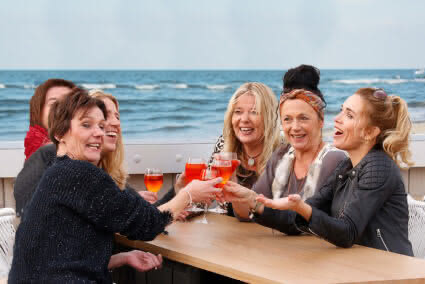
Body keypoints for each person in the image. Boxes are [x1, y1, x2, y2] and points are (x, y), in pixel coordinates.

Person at [9, 89, 222, 282]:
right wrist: (188, 195)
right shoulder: (80, 173)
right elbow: (148, 224)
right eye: (86, 125)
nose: (100, 132)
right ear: (59, 134)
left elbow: (63, 257)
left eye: (101, 126)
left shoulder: (59, 171)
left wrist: (122, 258)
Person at [226, 87, 414, 256]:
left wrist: (302, 208)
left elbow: (347, 232)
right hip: (356, 265)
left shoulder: (379, 167)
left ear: (370, 132)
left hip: (388, 270)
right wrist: (253, 202)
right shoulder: (345, 167)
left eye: (349, 115)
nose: (337, 118)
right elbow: (296, 220)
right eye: (341, 110)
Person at [225, 65, 346, 220]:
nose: (295, 127)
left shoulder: (333, 159)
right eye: (287, 119)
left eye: (303, 118)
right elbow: (246, 215)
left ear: (321, 120)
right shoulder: (281, 155)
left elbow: (298, 221)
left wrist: (256, 205)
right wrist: (234, 186)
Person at [24, 78, 75, 160]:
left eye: (69, 103)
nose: (62, 109)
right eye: (54, 104)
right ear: (39, 110)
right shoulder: (41, 149)